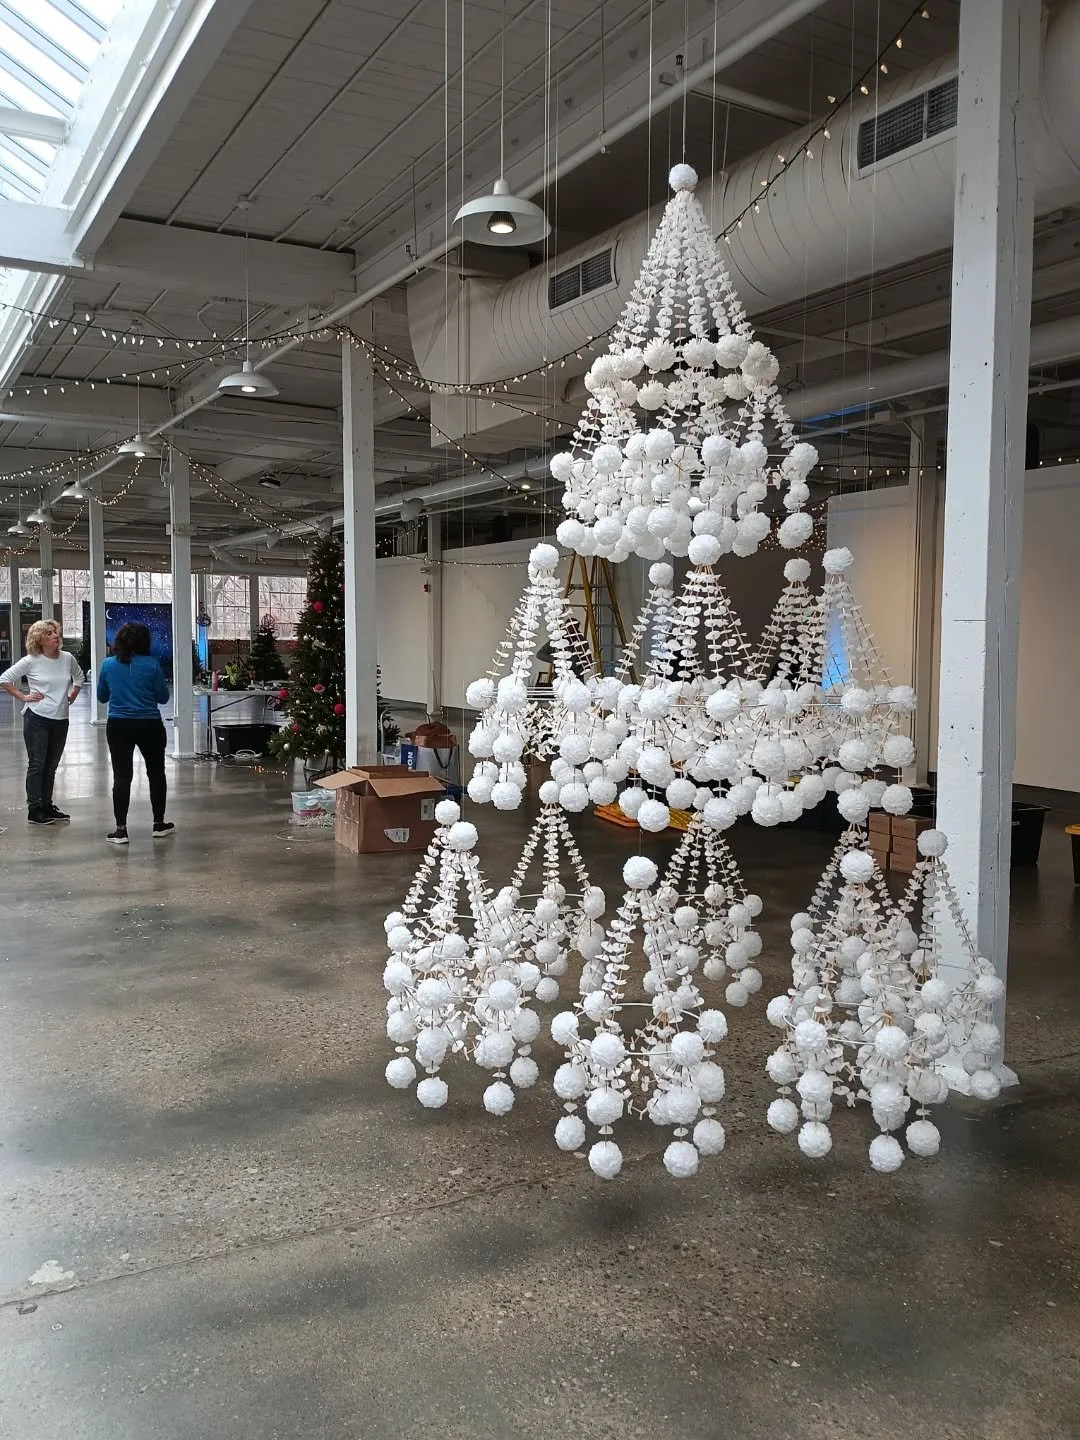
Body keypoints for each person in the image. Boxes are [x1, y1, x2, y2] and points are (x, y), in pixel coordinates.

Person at [0, 618, 84, 825]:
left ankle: (47, 805)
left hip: (60, 718)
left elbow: (79, 677)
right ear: (39, 639)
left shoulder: (67, 658)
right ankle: (34, 808)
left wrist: (73, 694)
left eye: (55, 632)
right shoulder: (31, 660)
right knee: (37, 764)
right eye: (49, 633)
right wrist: (23, 696)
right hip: (37, 718)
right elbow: (4, 679)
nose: (55, 636)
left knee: (51, 766)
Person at [97, 622, 173, 845]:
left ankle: (121, 830)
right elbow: (163, 697)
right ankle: (158, 824)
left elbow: (102, 696)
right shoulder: (152, 665)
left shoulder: (108, 665)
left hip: (119, 725)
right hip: (149, 725)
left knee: (122, 776)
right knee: (156, 773)